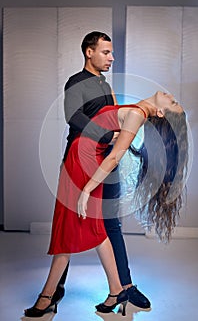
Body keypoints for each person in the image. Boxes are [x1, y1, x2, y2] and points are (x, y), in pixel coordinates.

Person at [24, 89, 188, 318]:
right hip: (80, 160)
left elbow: (113, 158)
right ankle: (116, 290)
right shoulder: (135, 109)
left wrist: (87, 189)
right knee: (86, 229)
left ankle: (47, 296)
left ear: (160, 112)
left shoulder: (137, 115)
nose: (171, 95)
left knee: (67, 229)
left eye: (173, 102)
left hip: (85, 167)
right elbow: (106, 121)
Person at [53, 31, 151, 309]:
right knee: (70, 225)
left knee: (112, 225)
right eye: (106, 52)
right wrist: (108, 137)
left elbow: (116, 118)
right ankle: (56, 289)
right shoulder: (76, 82)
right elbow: (74, 117)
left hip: (108, 164)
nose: (112, 57)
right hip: (81, 163)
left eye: (112, 52)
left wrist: (131, 145)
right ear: (89, 52)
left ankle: (125, 287)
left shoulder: (104, 84)